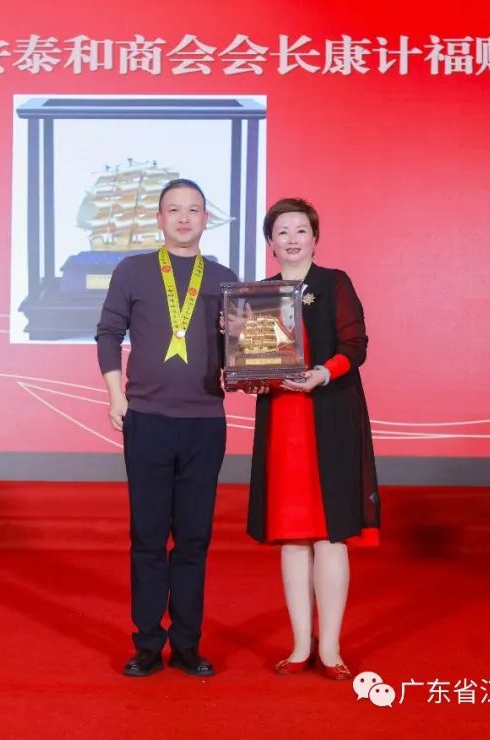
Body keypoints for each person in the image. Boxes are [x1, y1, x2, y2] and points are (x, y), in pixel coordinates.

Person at [95, 178, 239, 678]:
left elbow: (240, 351)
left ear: (205, 219)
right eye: (173, 210)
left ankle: (187, 645)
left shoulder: (224, 279)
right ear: (159, 219)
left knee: (195, 539)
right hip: (148, 420)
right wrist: (117, 396)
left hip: (205, 422)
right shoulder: (132, 270)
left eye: (193, 210)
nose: (183, 218)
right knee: (149, 538)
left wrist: (250, 356)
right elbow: (108, 333)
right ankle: (147, 644)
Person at [244, 197, 380, 680]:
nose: (292, 238)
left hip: (330, 415)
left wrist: (323, 373)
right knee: (292, 536)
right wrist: (250, 376)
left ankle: (333, 649)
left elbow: (355, 345)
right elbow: (253, 362)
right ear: (270, 242)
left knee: (330, 535)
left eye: (301, 230)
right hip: (283, 421)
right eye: (282, 231)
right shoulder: (256, 295)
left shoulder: (334, 283)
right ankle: (301, 645)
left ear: (315, 238)